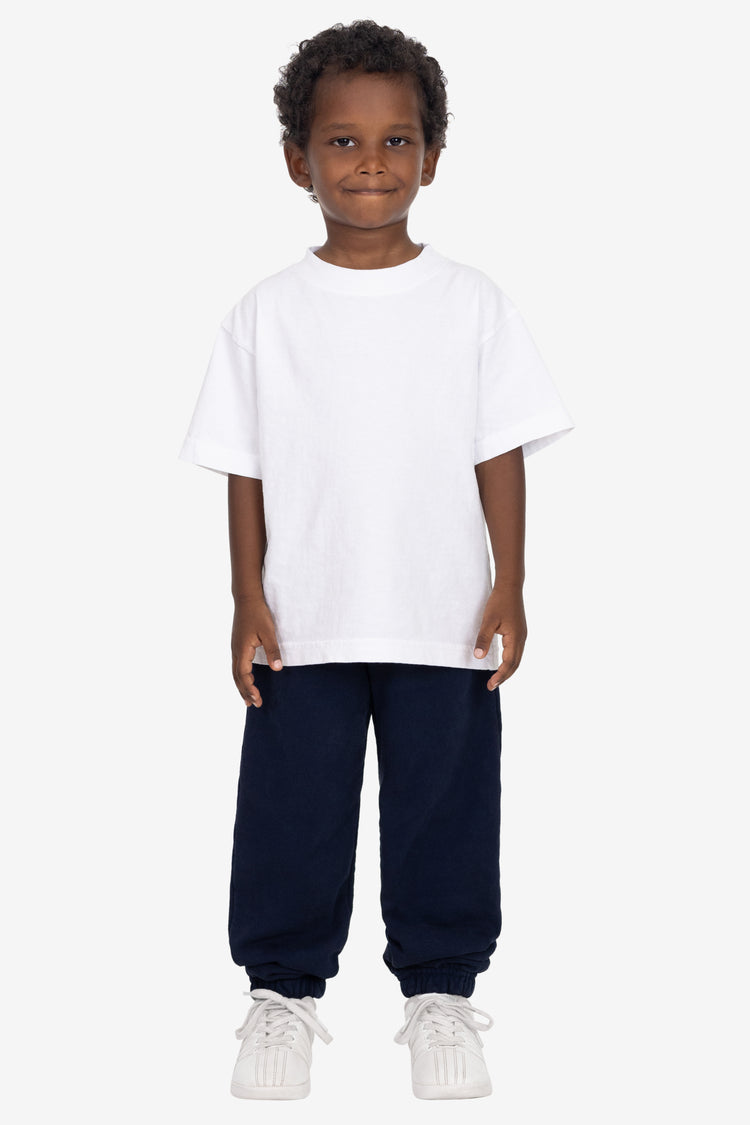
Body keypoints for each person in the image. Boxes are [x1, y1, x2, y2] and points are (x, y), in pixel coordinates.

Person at [178, 18, 575, 1102]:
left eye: (397, 140)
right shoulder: (265, 314)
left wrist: (510, 581)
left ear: (432, 158)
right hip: (303, 619)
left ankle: (440, 993)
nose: (369, 162)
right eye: (342, 141)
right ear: (296, 160)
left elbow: (499, 449)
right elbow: (245, 466)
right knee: (291, 811)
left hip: (443, 613)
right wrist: (246, 597)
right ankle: (281, 994)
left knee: (447, 809)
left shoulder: (472, 302)